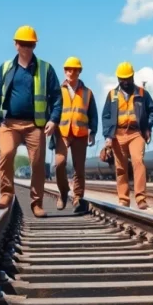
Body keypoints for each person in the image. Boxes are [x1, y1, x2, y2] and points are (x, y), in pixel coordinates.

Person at [0, 25, 62, 217]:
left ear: (34, 46)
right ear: (16, 45)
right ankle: (6, 193)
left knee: (37, 162)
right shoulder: (5, 68)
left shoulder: (46, 69)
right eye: (23, 44)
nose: (26, 48)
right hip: (9, 123)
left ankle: (36, 203)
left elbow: (56, 96)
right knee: (5, 153)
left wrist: (53, 120)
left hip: (35, 124)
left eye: (30, 45)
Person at [100, 62, 153, 209]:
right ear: (118, 78)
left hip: (135, 133)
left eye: (128, 78)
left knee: (138, 162)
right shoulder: (112, 95)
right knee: (120, 167)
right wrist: (108, 136)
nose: (125, 82)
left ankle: (141, 199)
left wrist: (147, 126)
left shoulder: (142, 93)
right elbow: (106, 116)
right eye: (122, 79)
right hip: (117, 135)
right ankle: (124, 199)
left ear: (132, 77)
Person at [56, 56, 99, 213]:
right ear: (64, 71)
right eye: (68, 69)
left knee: (78, 168)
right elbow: (53, 111)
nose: (71, 72)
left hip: (80, 134)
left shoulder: (87, 93)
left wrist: (92, 132)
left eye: (74, 69)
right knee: (59, 164)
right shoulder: (58, 91)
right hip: (62, 133)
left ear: (79, 72)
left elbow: (93, 114)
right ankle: (63, 192)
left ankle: (77, 198)